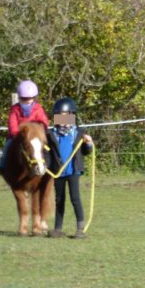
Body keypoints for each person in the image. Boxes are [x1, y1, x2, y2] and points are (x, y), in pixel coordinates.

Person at [46, 97, 94, 239]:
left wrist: (88, 143)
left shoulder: (78, 133)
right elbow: (48, 153)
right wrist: (47, 167)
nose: (62, 119)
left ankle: (80, 228)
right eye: (59, 115)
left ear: (72, 116)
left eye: (65, 116)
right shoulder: (51, 134)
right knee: (59, 199)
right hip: (58, 172)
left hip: (73, 171)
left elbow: (86, 152)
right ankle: (58, 228)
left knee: (75, 198)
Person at [0, 79, 50, 173]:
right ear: (20, 98)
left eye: (30, 98)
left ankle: (50, 164)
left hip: (35, 136)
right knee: (7, 147)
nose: (28, 101)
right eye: (24, 99)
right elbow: (12, 123)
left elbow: (44, 120)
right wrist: (16, 134)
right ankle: (3, 166)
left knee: (47, 146)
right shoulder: (15, 109)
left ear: (34, 98)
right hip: (19, 136)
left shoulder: (38, 108)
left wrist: (42, 127)